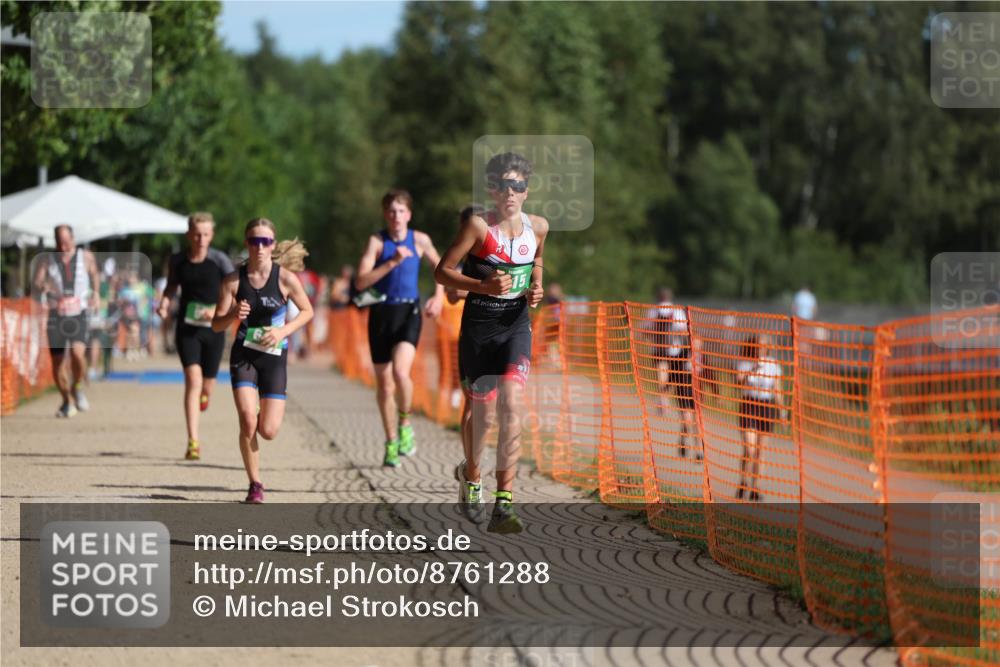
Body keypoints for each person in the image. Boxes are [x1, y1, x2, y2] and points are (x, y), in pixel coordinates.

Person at [435, 153, 549, 534]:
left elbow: (537, 260)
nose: (511, 193)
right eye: (504, 186)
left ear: (526, 191)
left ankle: (504, 502)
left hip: (515, 326)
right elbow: (442, 272)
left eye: (518, 186)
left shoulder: (539, 227)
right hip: (479, 329)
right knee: (482, 416)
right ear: (492, 190)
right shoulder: (478, 227)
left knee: (512, 405)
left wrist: (536, 287)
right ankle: (471, 477)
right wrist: (482, 286)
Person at [212, 218, 313, 504]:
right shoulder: (233, 281)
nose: (259, 247)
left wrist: (282, 331)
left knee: (267, 430)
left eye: (265, 241)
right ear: (247, 243)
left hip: (274, 358)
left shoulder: (285, 279)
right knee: (247, 421)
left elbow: (307, 311)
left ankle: (258, 415)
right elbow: (216, 325)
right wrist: (233, 314)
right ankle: (255, 484)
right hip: (243, 356)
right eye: (254, 241)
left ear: (272, 245)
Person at [354, 189, 445, 467]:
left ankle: (405, 424)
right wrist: (392, 262)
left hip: (409, 312)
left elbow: (442, 269)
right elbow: (360, 282)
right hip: (381, 313)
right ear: (385, 214)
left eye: (401, 211)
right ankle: (391, 440)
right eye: (391, 211)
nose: (396, 216)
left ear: (409, 214)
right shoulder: (377, 242)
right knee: (384, 386)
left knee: (401, 372)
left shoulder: (419, 240)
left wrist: (438, 297)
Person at [157, 212, 236, 461]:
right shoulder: (178, 260)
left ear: (212, 235)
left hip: (214, 329)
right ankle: (193, 441)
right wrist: (164, 303)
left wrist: (218, 311)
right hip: (187, 329)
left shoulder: (220, 260)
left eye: (205, 234)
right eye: (197, 234)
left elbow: (235, 290)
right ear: (188, 235)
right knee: (193, 380)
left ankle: (206, 394)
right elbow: (171, 286)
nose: (201, 239)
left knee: (207, 385)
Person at [33, 224, 100, 418]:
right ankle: (66, 400)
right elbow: (37, 281)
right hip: (56, 313)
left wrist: (96, 293)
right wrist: (42, 286)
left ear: (73, 239)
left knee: (78, 355)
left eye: (66, 242)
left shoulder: (86, 257)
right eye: (59, 242)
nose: (63, 246)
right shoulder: (47, 259)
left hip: (78, 313)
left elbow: (95, 274)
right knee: (58, 361)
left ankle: (76, 387)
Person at [644, 288, 700, 459]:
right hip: (675, 352)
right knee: (691, 415)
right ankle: (664, 399)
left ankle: (663, 398)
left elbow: (645, 330)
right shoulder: (676, 311)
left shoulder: (653, 311)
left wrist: (654, 337)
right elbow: (683, 331)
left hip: (660, 349)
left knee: (662, 372)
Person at [735, 334, 784, 502]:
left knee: (760, 451)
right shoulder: (744, 362)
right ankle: (743, 482)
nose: (760, 348)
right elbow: (738, 384)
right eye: (758, 345)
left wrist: (782, 412)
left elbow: (777, 389)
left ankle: (755, 487)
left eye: (763, 345)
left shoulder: (773, 365)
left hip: (766, 407)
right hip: (749, 405)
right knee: (749, 449)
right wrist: (751, 371)